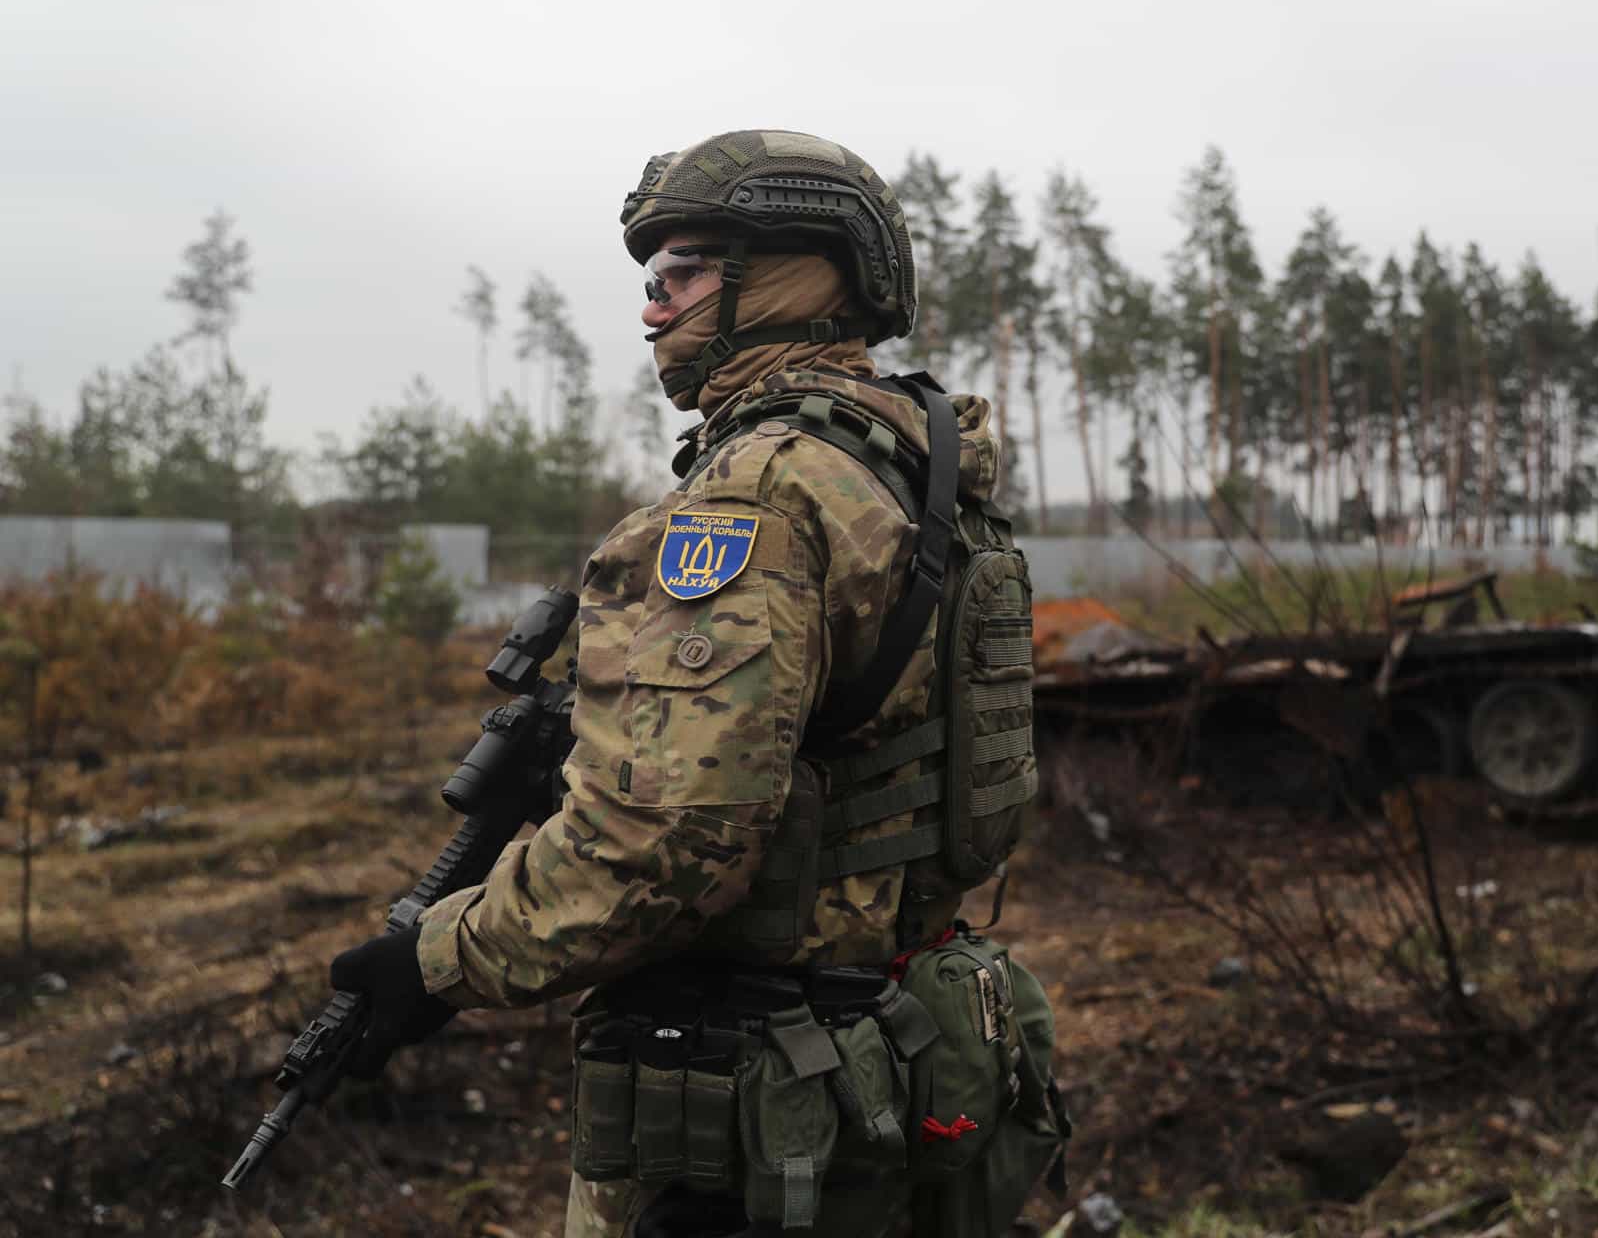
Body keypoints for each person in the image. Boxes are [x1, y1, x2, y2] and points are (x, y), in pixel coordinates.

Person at [327, 130, 1056, 1238]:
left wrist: (434, 960)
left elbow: (658, 845)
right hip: (897, 1038)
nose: (651, 311)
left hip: (756, 1101)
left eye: (681, 275)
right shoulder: (916, 463)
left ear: (785, 277)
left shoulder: (755, 497)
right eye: (648, 282)